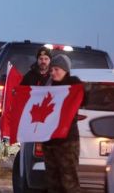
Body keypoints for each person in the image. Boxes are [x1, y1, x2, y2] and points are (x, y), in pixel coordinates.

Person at [43, 54, 82, 193]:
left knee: (69, 182)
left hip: (67, 142)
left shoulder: (74, 84)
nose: (53, 72)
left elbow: (84, 98)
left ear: (66, 70)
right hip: (49, 142)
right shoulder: (47, 86)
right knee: (53, 183)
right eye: (51, 69)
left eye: (56, 69)